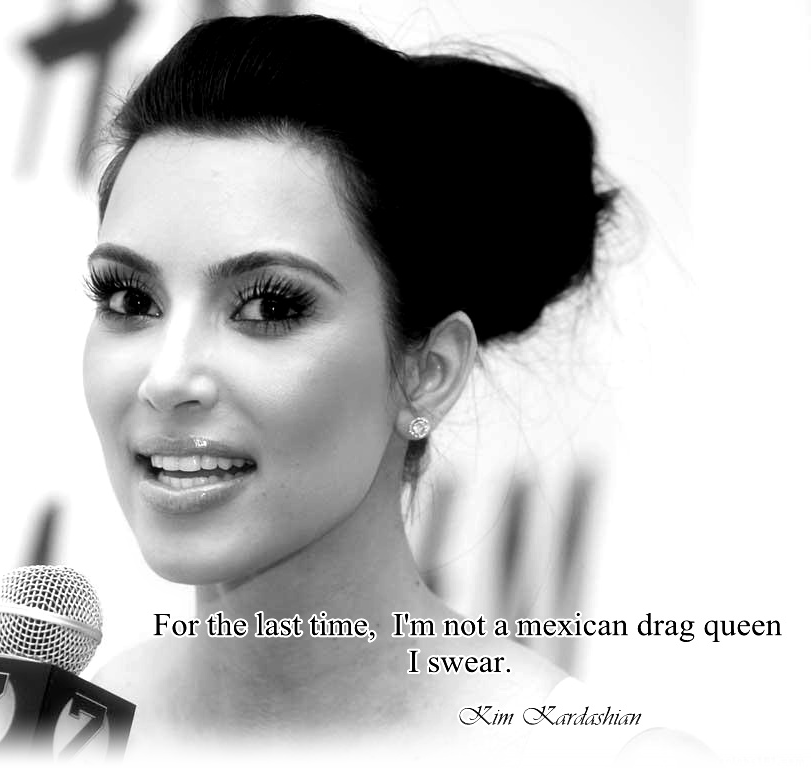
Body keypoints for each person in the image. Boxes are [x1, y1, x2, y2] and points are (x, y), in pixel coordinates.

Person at [81, 13, 704, 762]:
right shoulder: (51, 728)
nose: (167, 377)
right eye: (130, 300)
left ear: (426, 372)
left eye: (269, 308)